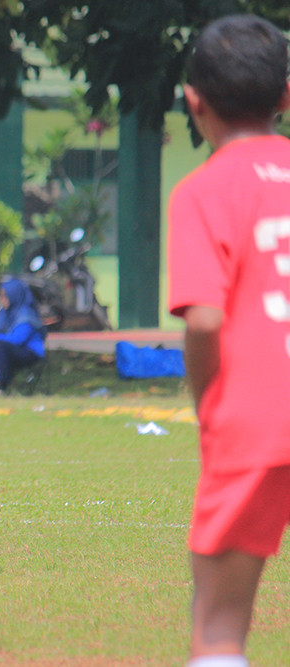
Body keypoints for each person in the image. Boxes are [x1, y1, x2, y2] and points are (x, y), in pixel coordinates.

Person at [167, 15, 290, 667]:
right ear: (287, 96)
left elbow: (205, 320)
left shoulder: (203, 191)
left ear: (195, 101)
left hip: (255, 421)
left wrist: (208, 400)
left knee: (219, 630)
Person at [0, 278, 45, 395]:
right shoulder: (4, 314)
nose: (2, 300)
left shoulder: (26, 316)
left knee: (1, 348)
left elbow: (16, 340)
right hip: (8, 349)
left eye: (5, 297)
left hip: (29, 352)